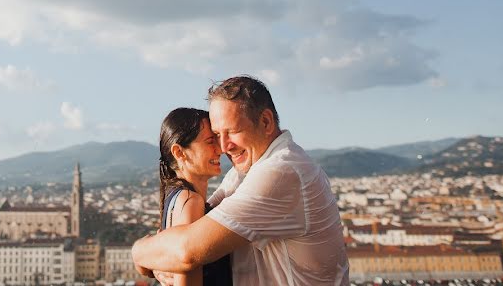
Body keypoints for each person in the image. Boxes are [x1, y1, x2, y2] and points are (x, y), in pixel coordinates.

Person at [133, 76, 349, 286]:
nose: (224, 146)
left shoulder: (281, 172)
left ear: (265, 122)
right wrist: (164, 259)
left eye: (233, 131)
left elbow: (186, 250)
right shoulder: (245, 172)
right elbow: (193, 233)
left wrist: (139, 251)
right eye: (217, 135)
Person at [157, 107, 233, 286]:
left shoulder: (176, 198)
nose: (220, 149)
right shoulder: (190, 202)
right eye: (209, 141)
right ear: (179, 152)